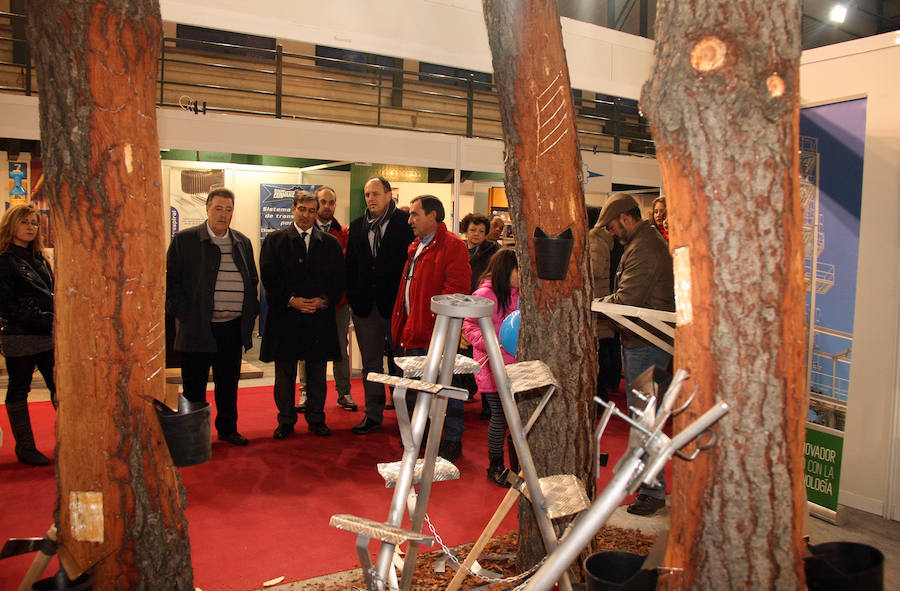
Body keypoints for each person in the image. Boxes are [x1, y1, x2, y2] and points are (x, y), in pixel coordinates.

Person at [598, 192, 674, 516]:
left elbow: (628, 298)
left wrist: (596, 303)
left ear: (626, 218)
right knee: (646, 420)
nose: (612, 233)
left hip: (647, 345)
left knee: (645, 423)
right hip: (645, 343)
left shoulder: (644, 247)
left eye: (613, 227)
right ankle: (649, 487)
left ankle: (652, 490)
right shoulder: (644, 243)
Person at [166, 188, 259, 446]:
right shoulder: (185, 241)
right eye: (218, 208)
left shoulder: (242, 242)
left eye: (229, 209)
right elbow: (171, 285)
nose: (224, 214)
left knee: (227, 385)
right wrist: (185, 315)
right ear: (207, 209)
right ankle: (193, 436)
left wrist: (249, 313)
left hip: (231, 329)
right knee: (194, 387)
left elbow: (251, 280)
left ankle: (228, 430)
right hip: (197, 328)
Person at [260, 190, 345, 439]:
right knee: (284, 372)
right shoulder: (275, 241)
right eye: (302, 209)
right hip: (285, 317)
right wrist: (291, 301)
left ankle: (316, 419)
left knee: (317, 372)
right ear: (293, 209)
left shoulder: (329, 244)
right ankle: (285, 420)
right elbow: (269, 278)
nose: (306, 215)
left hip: (318, 318)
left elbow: (338, 280)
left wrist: (323, 300)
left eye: (311, 210)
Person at [392, 195, 471, 461]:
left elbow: (456, 293)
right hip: (414, 331)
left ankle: (451, 439)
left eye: (415, 214)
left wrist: (439, 329)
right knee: (416, 387)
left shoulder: (452, 246)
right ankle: (422, 434)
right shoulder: (415, 246)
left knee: (447, 387)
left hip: (437, 334)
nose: (410, 219)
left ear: (434, 215)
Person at [346, 177, 414, 435]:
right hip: (366, 308)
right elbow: (350, 266)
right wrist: (354, 299)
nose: (370, 199)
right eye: (367, 194)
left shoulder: (406, 225)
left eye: (375, 193)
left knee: (400, 363)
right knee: (371, 365)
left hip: (396, 307)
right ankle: (372, 415)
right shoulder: (357, 226)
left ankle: (405, 416)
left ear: (389, 195)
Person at [0, 204, 55, 465]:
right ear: (12, 226)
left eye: (34, 223)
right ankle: (25, 446)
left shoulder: (40, 259)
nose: (31, 227)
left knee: (60, 388)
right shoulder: (4, 259)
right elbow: (7, 304)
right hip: (21, 335)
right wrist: (42, 317)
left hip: (48, 333)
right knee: (19, 388)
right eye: (25, 222)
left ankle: (70, 439)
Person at [462, 248, 519, 486]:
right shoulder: (485, 294)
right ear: (507, 270)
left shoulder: (522, 292)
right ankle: (495, 465)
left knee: (517, 417)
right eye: (518, 270)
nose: (523, 275)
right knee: (501, 417)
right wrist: (488, 343)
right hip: (492, 366)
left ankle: (518, 466)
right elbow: (469, 324)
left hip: (517, 367)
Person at [314, 185, 356, 412]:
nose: (327, 207)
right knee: (310, 349)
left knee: (341, 348)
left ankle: (344, 392)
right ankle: (306, 392)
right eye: (323, 202)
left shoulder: (344, 233)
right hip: (311, 303)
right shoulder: (306, 230)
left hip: (338, 303)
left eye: (331, 202)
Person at [588, 213, 617, 402]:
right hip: (603, 300)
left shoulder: (594, 239)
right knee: (604, 348)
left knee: (598, 352)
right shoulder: (606, 240)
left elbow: (594, 270)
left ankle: (599, 396)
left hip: (596, 300)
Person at [461, 213, 499, 294]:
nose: (476, 234)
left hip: (482, 296)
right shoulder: (458, 249)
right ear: (466, 232)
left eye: (481, 231)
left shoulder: (494, 251)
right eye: (473, 230)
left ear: (485, 234)